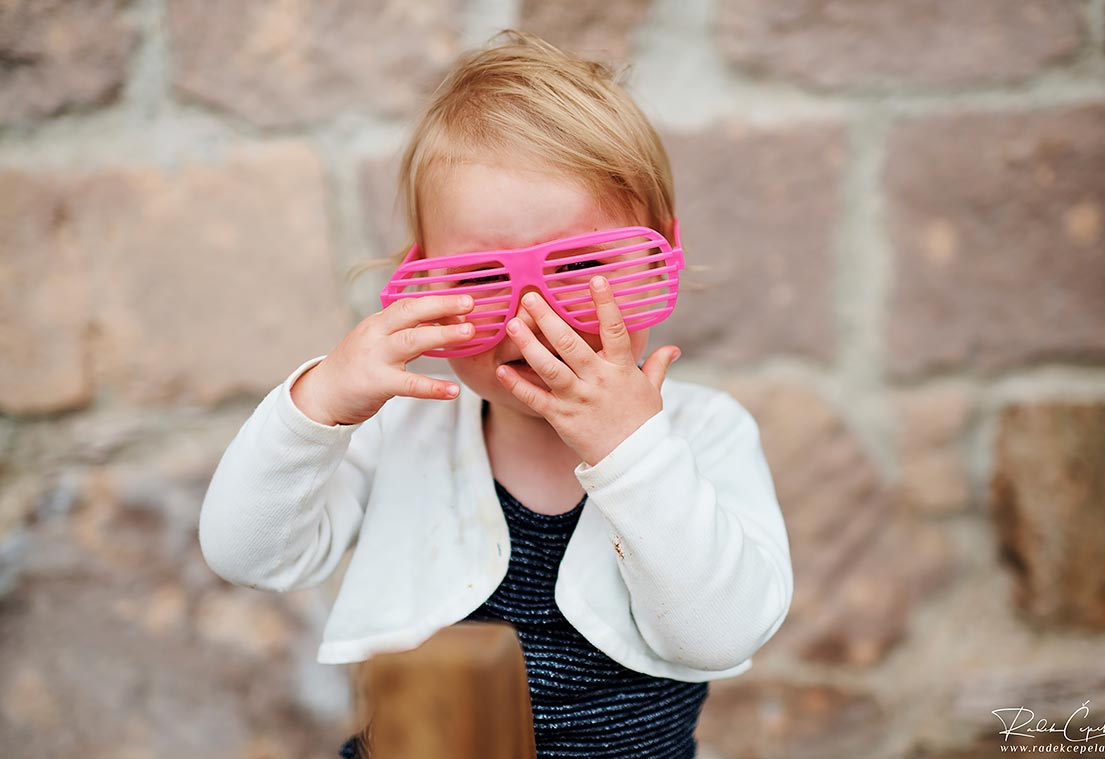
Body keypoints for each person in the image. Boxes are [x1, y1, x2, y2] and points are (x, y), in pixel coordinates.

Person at [198, 29, 793, 759]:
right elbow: (247, 553)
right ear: (424, 282)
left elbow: (720, 630)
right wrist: (318, 404)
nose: (531, 316)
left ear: (659, 249)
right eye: (483, 277)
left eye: (577, 265)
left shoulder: (705, 435)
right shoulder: (400, 430)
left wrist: (633, 452)